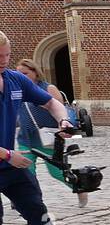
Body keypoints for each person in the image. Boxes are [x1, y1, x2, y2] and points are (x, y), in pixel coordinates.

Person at [0, 32, 98, 225]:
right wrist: (9, 155)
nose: (4, 61)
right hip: (8, 157)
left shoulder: (14, 79)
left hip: (10, 164)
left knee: (38, 211)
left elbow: (51, 101)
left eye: (6, 55)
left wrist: (64, 119)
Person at [14, 59, 87, 208]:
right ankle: (30, 200)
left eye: (25, 73)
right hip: (26, 137)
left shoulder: (47, 88)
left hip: (48, 137)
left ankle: (79, 187)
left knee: (57, 171)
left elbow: (61, 110)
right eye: (18, 73)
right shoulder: (17, 89)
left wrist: (63, 126)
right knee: (26, 171)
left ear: (35, 72)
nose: (21, 76)